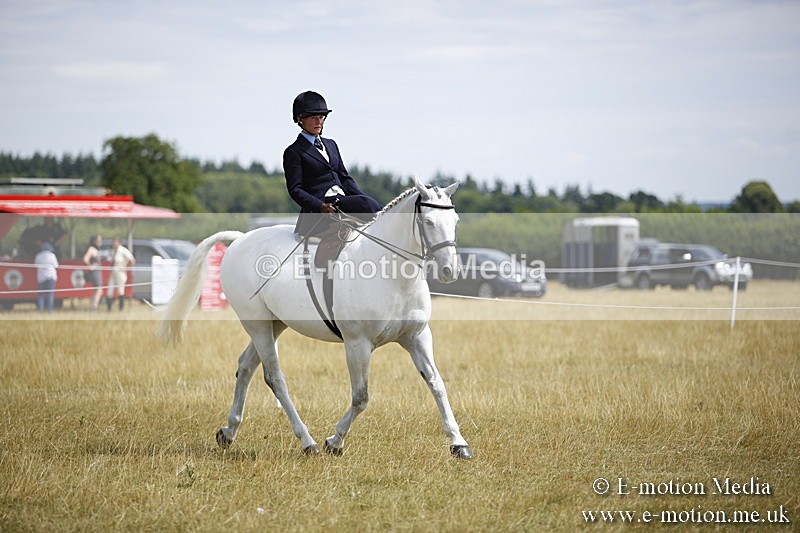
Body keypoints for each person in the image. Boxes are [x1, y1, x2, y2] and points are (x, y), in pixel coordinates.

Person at [283, 90, 382, 237]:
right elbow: (295, 189)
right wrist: (320, 206)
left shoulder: (331, 144)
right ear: (300, 119)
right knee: (366, 204)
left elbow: (345, 179)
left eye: (321, 117)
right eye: (313, 118)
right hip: (323, 208)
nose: (318, 122)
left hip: (342, 200)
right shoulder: (294, 151)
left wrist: (364, 198)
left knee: (376, 206)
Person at [106, 237, 135, 311]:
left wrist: (125, 268)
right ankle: (109, 309)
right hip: (113, 271)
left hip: (120, 272)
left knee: (120, 290)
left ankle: (120, 309)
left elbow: (132, 260)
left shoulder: (123, 250)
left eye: (115, 242)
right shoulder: (113, 251)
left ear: (119, 242)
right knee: (109, 289)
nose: (113, 243)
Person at [34, 241, 58, 312]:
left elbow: (35, 265)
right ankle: (49, 310)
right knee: (50, 294)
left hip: (41, 277)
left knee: (41, 294)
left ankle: (41, 309)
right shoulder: (52, 255)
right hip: (51, 276)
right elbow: (56, 265)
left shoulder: (38, 256)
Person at [83, 234, 104, 310]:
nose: (100, 242)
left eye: (101, 240)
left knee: (96, 290)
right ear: (94, 241)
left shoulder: (97, 250)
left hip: (97, 272)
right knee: (98, 290)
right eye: (98, 240)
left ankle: (92, 306)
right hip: (94, 273)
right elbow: (85, 259)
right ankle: (93, 307)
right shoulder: (91, 249)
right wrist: (90, 266)